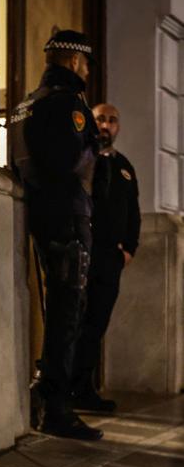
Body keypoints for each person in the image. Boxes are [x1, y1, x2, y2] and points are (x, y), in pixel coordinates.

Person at [10, 28, 103, 441]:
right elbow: (70, 161)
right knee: (68, 312)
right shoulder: (67, 105)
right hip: (66, 215)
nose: (86, 69)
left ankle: (48, 394)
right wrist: (93, 146)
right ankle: (58, 407)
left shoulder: (27, 105)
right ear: (72, 61)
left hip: (42, 214)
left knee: (57, 307)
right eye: (84, 62)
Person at [72, 103, 141, 412]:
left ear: (118, 127)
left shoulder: (124, 166)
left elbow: (134, 213)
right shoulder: (82, 157)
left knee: (97, 323)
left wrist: (129, 249)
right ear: (91, 121)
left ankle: (83, 389)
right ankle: (66, 390)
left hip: (111, 258)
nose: (106, 125)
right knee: (76, 322)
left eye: (112, 120)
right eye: (101, 119)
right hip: (83, 251)